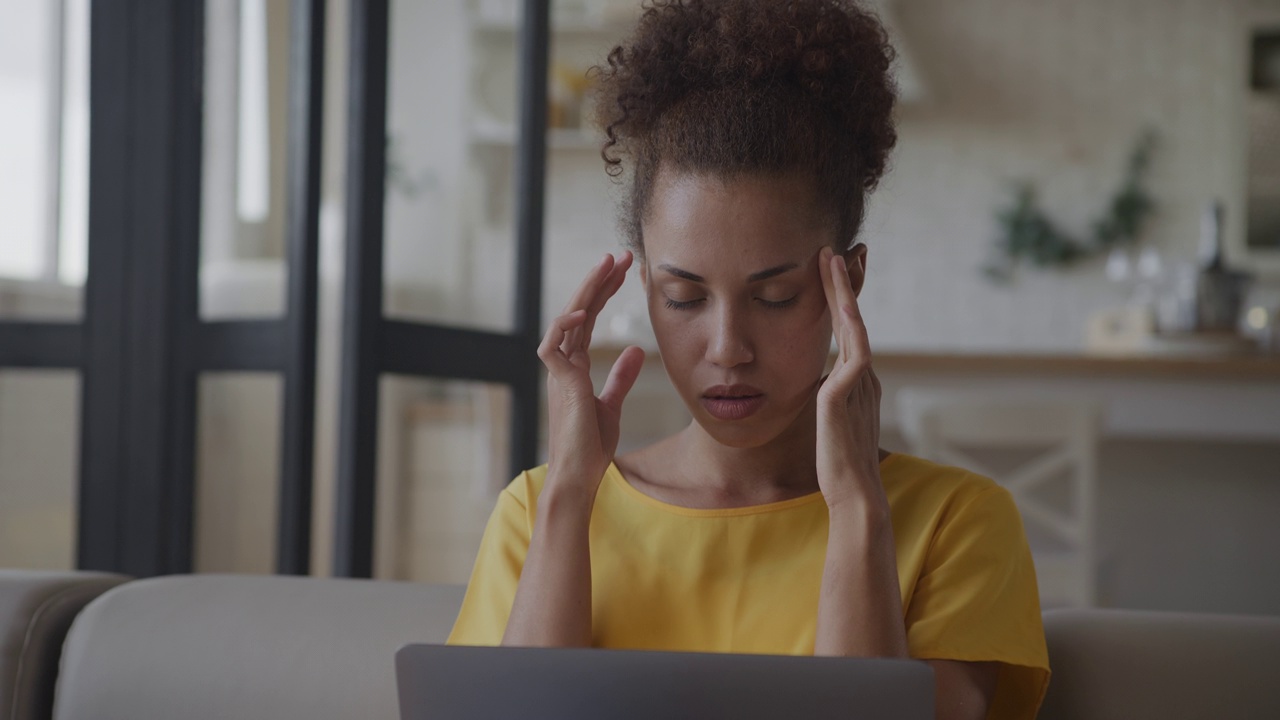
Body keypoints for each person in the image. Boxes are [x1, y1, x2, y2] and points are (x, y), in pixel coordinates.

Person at [447, 1, 1050, 718]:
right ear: (641, 285)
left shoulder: (958, 523)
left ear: (845, 283)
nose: (728, 349)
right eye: (684, 297)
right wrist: (572, 497)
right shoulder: (540, 510)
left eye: (775, 296)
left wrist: (857, 510)